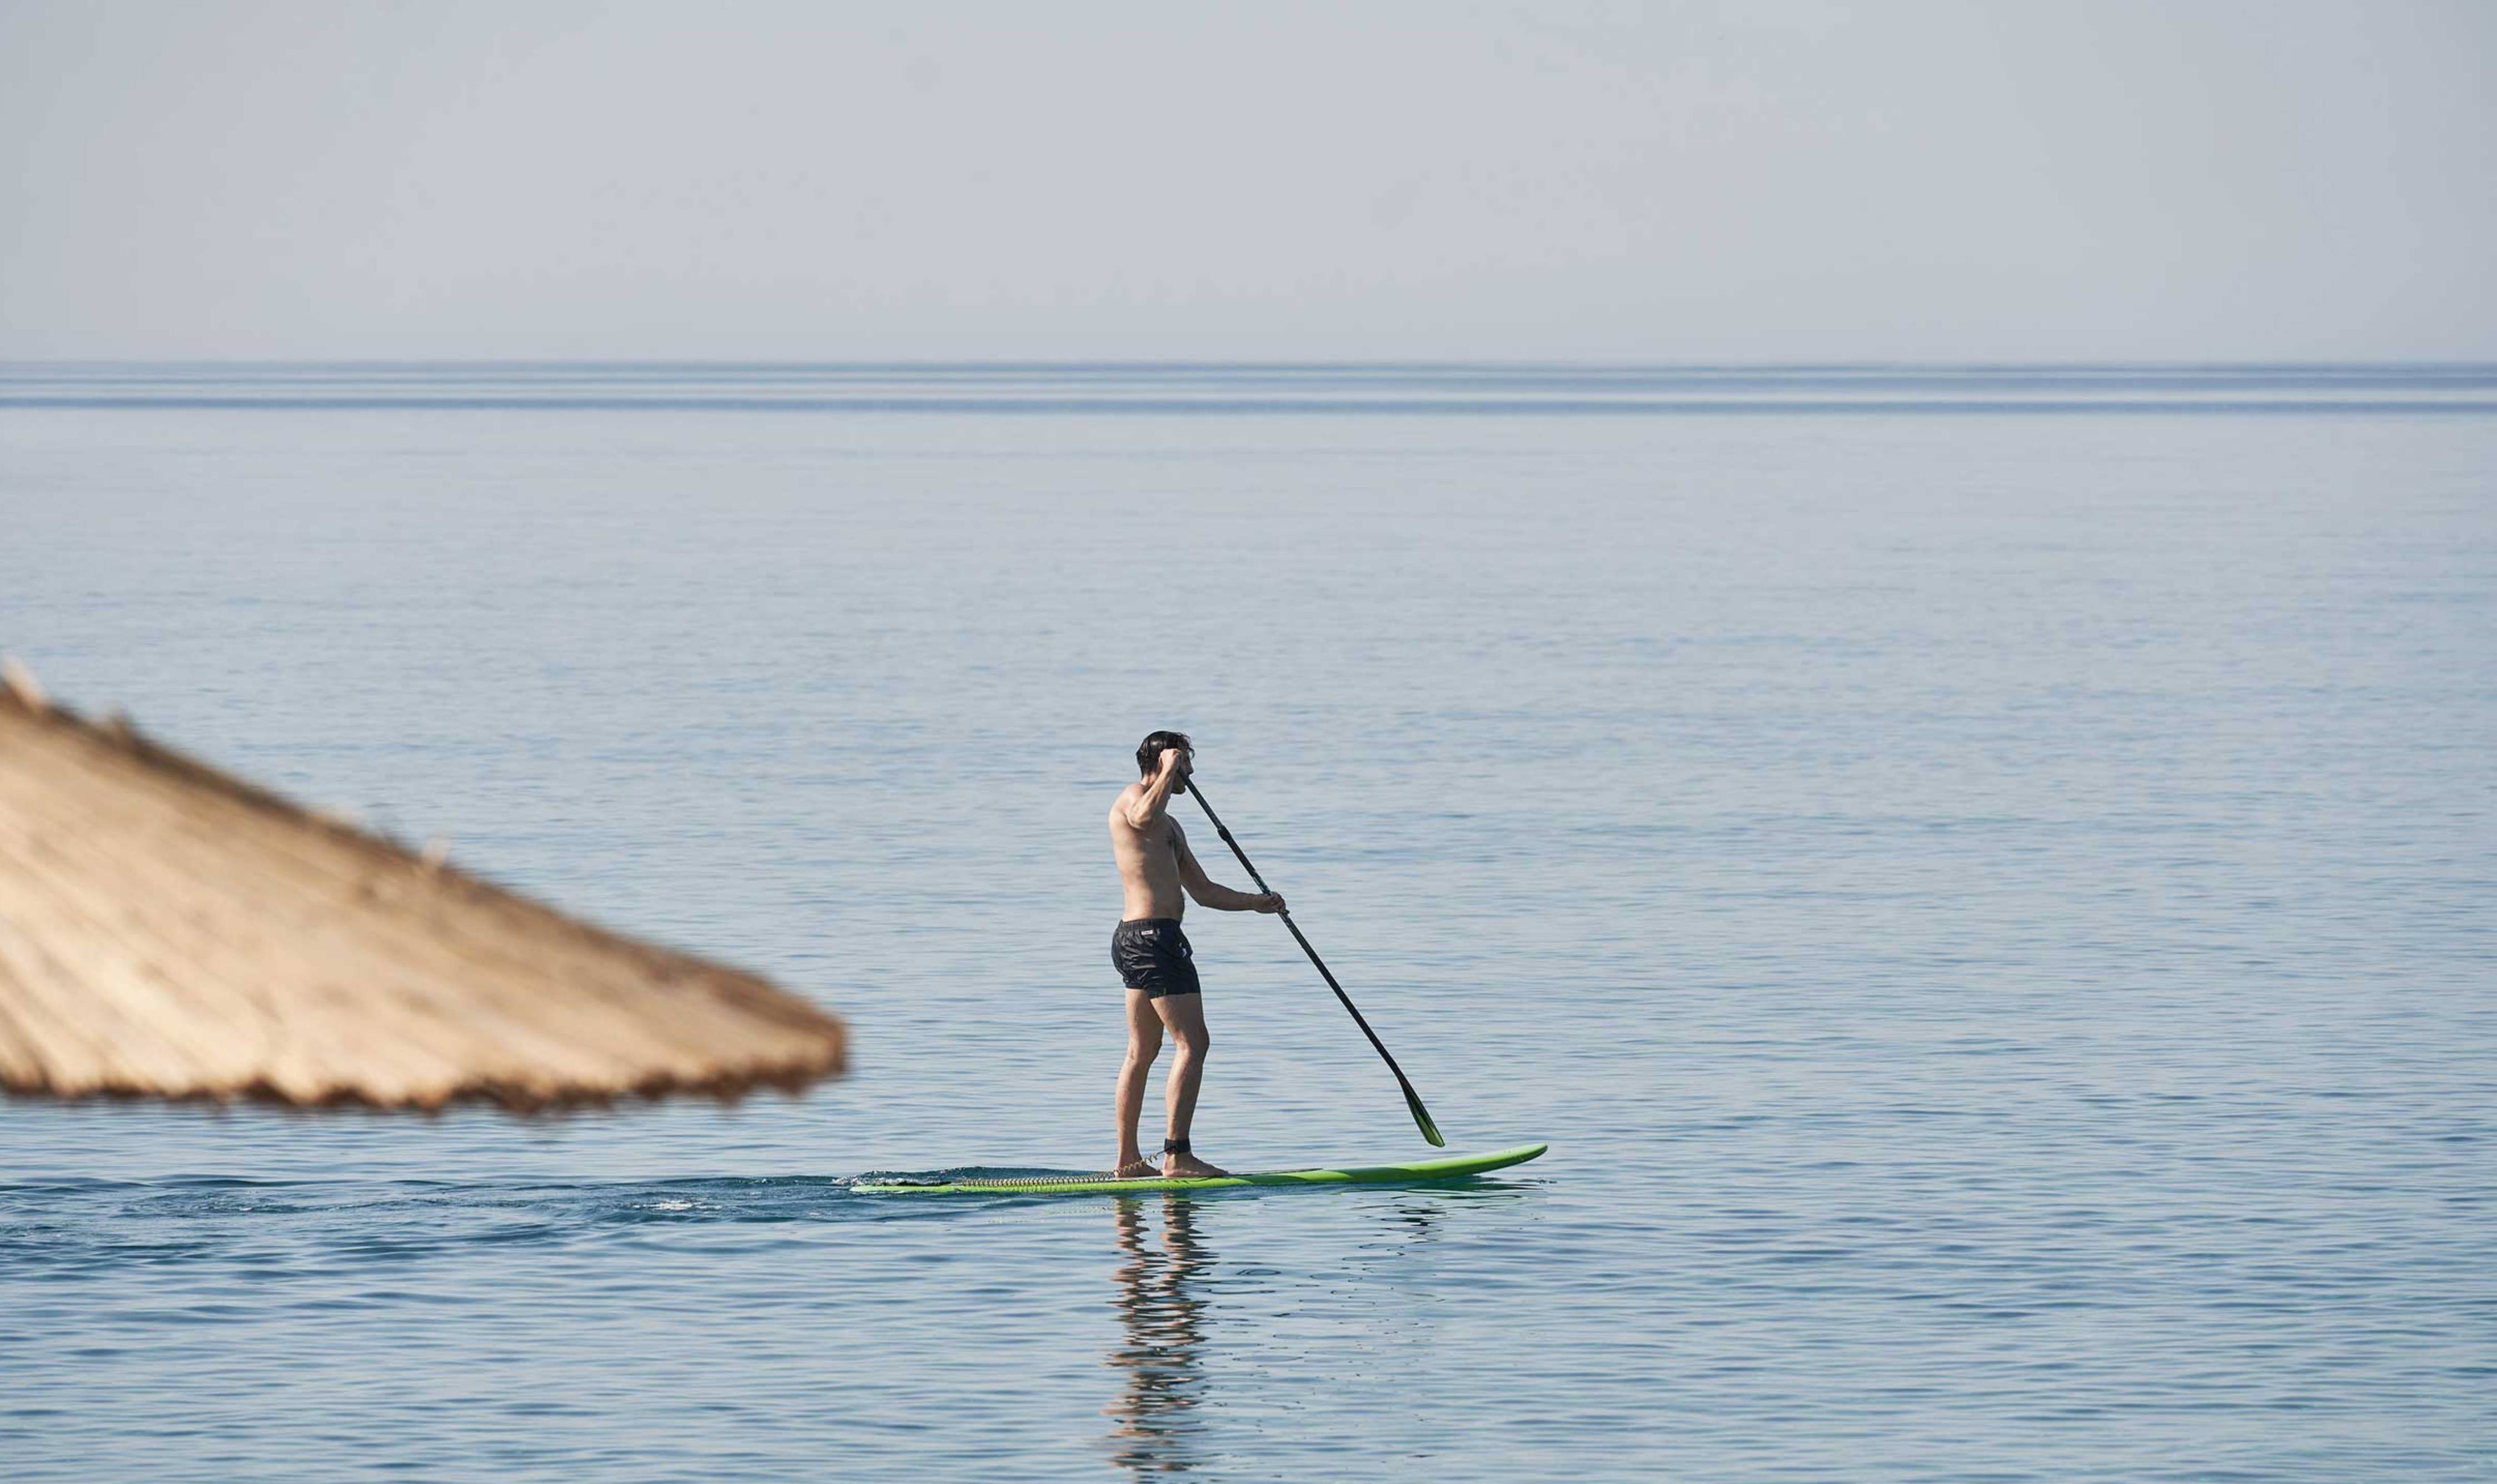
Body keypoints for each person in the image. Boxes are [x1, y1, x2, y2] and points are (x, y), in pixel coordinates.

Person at [1107, 731, 1283, 1178]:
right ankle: (1176, 1156)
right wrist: (1168, 768)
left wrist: (1257, 902)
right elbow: (1144, 816)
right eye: (1188, 762)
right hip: (1152, 938)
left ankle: (1130, 1163)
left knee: (1144, 1049)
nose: (1191, 773)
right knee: (1193, 1042)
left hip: (1144, 938)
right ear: (1166, 760)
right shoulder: (1135, 799)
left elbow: (1203, 892)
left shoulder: (1171, 825)